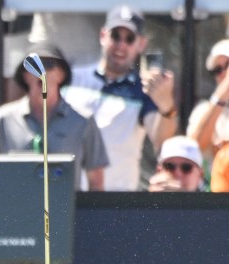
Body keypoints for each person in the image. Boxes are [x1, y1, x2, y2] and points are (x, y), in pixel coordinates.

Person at [63, 5, 178, 191]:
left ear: (141, 44)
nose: (121, 44)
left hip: (117, 203)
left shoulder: (144, 90)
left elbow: (160, 141)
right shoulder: (71, 78)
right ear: (103, 36)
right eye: (115, 35)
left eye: (129, 38)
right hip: (69, 196)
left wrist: (167, 108)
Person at [0, 43, 109, 191]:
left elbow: (96, 181)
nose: (42, 71)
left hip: (67, 211)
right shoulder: (4, 119)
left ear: (62, 75)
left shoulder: (83, 120)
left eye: (49, 65)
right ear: (25, 75)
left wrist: (88, 214)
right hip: (17, 211)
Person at [187, 39, 229, 163]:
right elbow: (194, 149)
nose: (224, 73)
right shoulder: (204, 109)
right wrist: (221, 96)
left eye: (228, 64)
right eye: (217, 69)